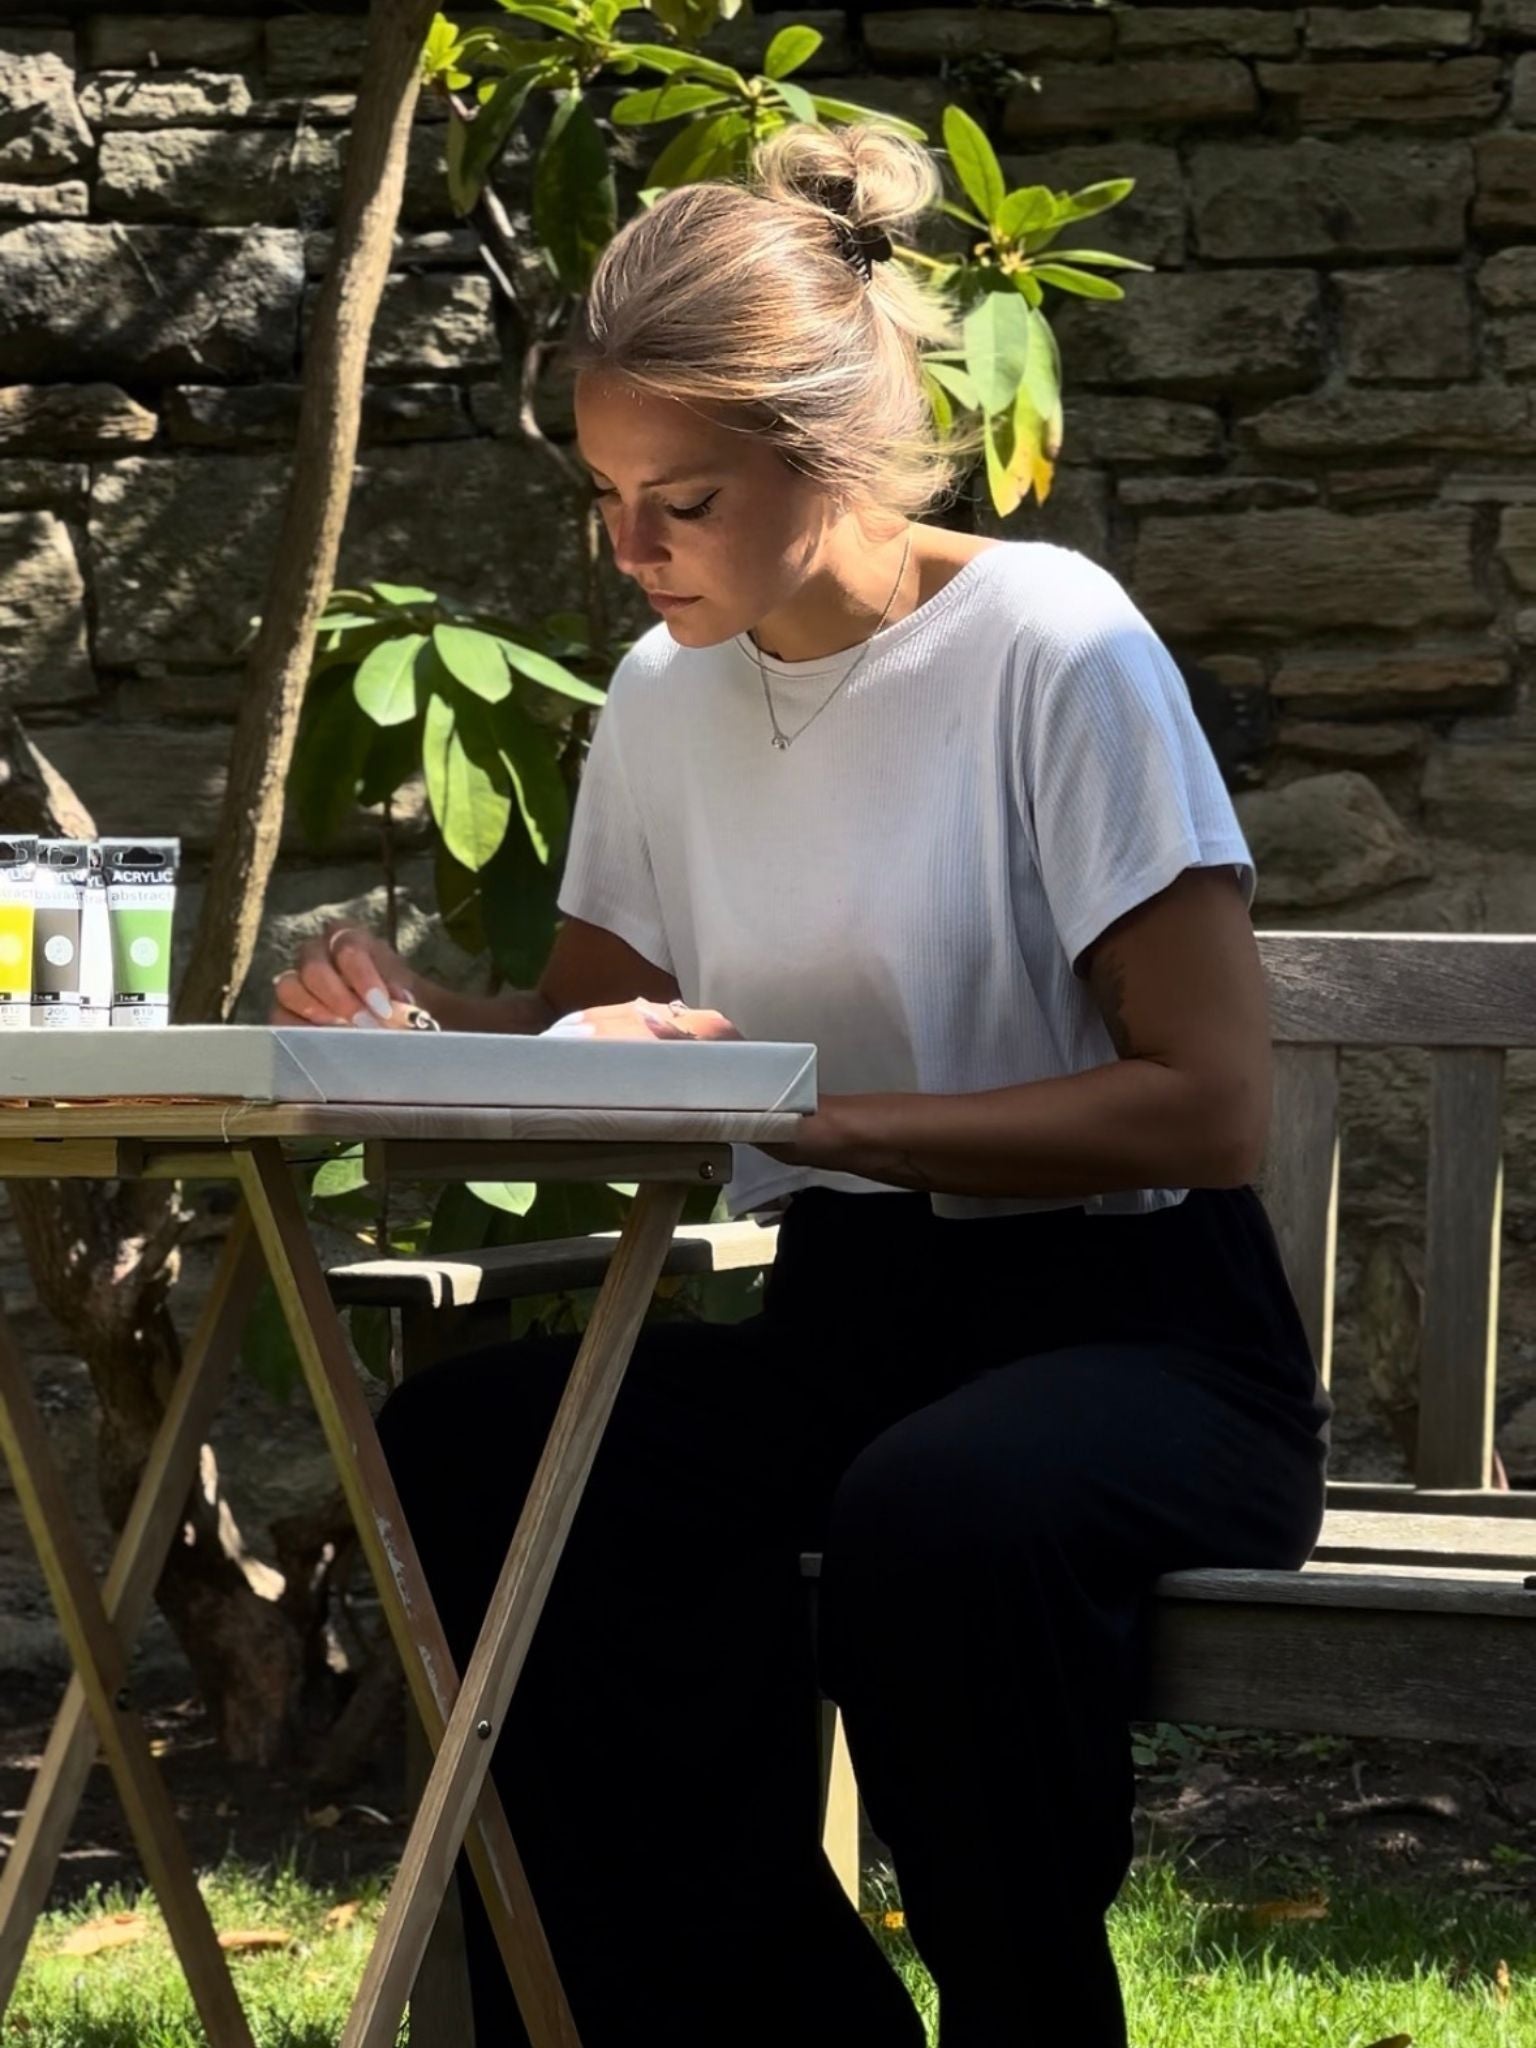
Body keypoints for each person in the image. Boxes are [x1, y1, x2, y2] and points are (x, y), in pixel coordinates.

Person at [273, 121, 1330, 2048]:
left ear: (828, 457)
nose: (628, 549)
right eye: (605, 492)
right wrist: (414, 1019)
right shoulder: (667, 705)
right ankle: (742, 2018)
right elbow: (591, 1038)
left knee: (946, 1515)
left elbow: (1209, 1105)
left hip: (1144, 1339)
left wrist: (829, 1123)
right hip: (846, 1326)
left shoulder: (1049, 645)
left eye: (676, 498)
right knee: (474, 1456)